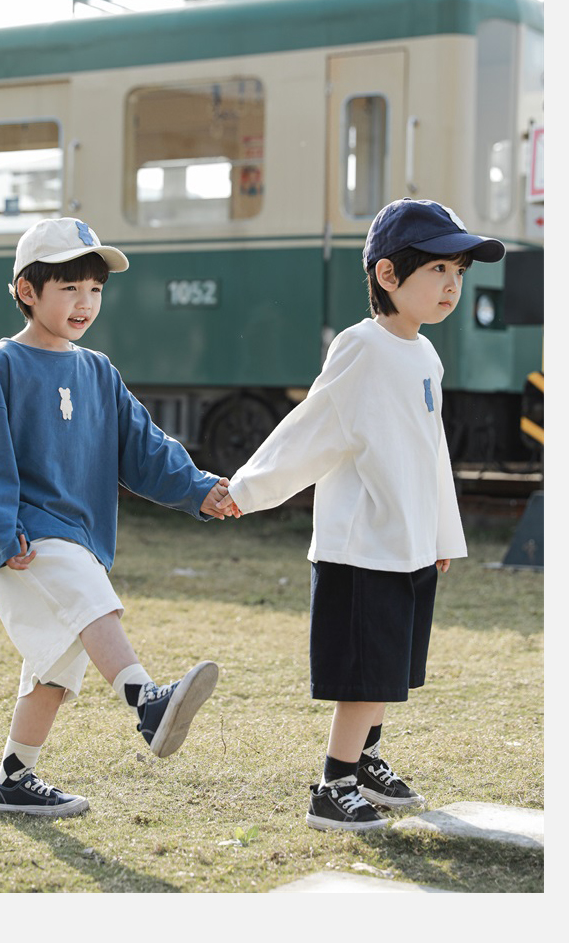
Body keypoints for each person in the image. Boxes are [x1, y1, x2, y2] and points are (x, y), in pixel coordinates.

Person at [216, 199, 505, 831]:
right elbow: (313, 427)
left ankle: (366, 761)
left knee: (391, 668)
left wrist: (441, 532)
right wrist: (250, 489)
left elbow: (432, 451)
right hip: (363, 546)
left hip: (406, 543)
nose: (452, 284)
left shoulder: (424, 354)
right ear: (387, 275)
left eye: (459, 271)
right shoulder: (362, 347)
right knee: (366, 674)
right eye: (438, 269)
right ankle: (333, 785)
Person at [0, 217, 234, 818]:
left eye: (95, 289)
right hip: (25, 538)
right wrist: (3, 531)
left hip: (79, 539)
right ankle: (148, 704)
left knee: (54, 670)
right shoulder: (3, 364)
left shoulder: (97, 371)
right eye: (69, 289)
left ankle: (13, 778)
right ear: (28, 291)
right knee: (93, 606)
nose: (85, 302)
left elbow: (145, 447)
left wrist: (198, 489)